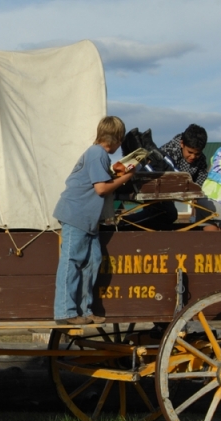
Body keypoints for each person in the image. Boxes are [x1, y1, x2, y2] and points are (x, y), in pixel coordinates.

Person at [53, 116, 134, 325]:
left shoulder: (98, 155)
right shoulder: (97, 153)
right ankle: (65, 311)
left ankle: (85, 310)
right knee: (72, 261)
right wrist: (126, 177)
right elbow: (101, 188)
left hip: (88, 218)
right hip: (76, 214)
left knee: (92, 261)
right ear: (117, 138)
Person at [121, 124, 208, 229]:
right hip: (155, 186)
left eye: (197, 154)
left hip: (172, 190)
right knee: (166, 212)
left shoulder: (201, 160)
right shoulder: (171, 149)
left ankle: (126, 224)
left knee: (166, 214)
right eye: (190, 152)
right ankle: (141, 148)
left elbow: (201, 180)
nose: (193, 156)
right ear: (182, 144)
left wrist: (196, 190)